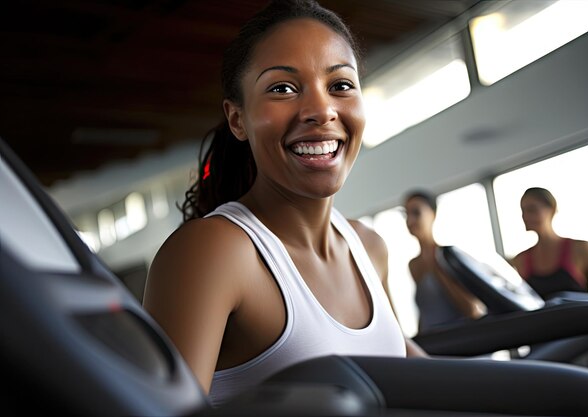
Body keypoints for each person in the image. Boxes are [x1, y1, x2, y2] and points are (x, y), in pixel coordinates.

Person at [142, 0, 427, 407]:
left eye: (340, 85)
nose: (321, 110)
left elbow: (411, 371)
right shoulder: (213, 252)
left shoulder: (370, 247)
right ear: (237, 119)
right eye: (282, 89)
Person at [510, 187, 588, 300]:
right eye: (523, 210)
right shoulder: (520, 260)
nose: (525, 216)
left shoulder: (581, 249)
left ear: (551, 209)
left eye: (532, 209)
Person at [404, 190, 484, 333]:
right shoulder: (414, 265)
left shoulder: (449, 256)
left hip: (461, 340)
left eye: (416, 213)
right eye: (407, 214)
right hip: (435, 343)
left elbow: (472, 310)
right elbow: (425, 313)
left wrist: (437, 267)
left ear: (433, 214)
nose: (410, 221)